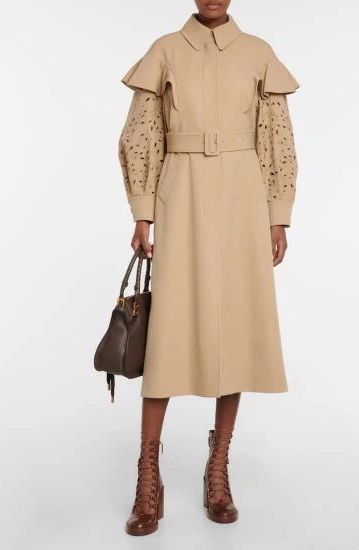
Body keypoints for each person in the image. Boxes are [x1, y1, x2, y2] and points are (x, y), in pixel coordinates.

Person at [117, 0, 299, 536]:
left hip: (244, 198)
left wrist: (278, 214)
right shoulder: (165, 51)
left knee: (234, 333)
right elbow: (141, 135)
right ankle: (147, 475)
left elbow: (278, 139)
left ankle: (217, 469)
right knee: (168, 334)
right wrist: (142, 210)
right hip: (181, 195)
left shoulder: (258, 53)